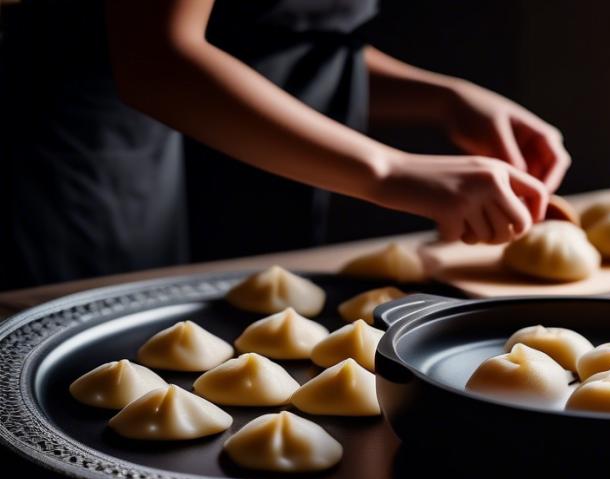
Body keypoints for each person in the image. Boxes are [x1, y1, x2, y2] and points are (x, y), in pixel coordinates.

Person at [0, 0, 570, 289]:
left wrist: (445, 99)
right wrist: (392, 172)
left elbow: (264, 44)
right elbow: (154, 57)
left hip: (184, 152)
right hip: (79, 154)